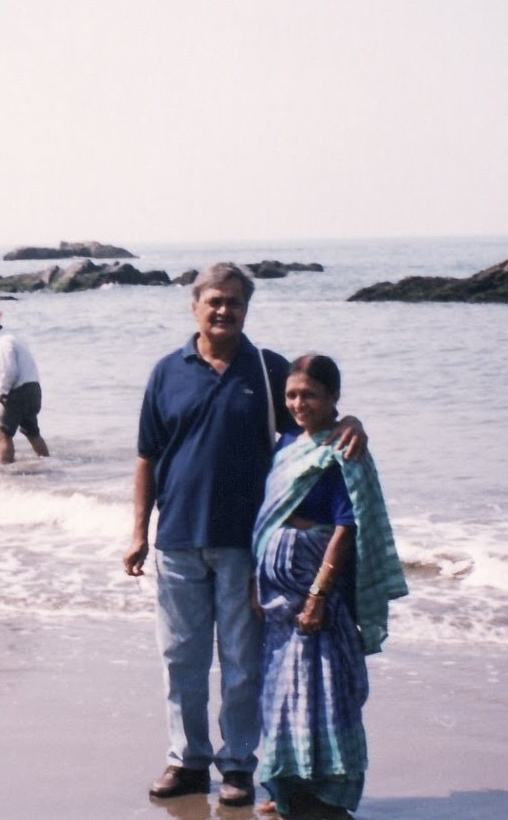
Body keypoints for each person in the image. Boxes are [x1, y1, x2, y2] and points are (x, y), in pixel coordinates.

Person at [124, 262, 365, 808]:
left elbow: (313, 418)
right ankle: (186, 761)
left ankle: (236, 764)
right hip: (178, 538)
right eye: (214, 301)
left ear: (246, 308)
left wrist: (352, 421)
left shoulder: (267, 369)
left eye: (234, 301)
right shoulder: (167, 371)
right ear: (195, 306)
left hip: (247, 544)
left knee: (241, 660)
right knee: (180, 658)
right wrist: (138, 531)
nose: (224, 310)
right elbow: (147, 456)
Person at [252, 355, 407, 819]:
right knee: (281, 694)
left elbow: (346, 527)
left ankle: (330, 795)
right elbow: (266, 519)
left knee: (325, 691)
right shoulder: (285, 444)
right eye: (292, 395)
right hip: (277, 602)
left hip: (316, 598)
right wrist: (252, 580)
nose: (299, 403)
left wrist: (318, 595)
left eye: (310, 395)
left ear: (333, 398)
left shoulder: (343, 448)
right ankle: (285, 788)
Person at [0, 312, 49, 464]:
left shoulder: (2, 343)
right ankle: (47, 462)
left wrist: (2, 391)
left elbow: (9, 371)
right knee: (32, 432)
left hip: (19, 391)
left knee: (4, 433)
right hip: (33, 389)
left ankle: (6, 470)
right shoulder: (12, 339)